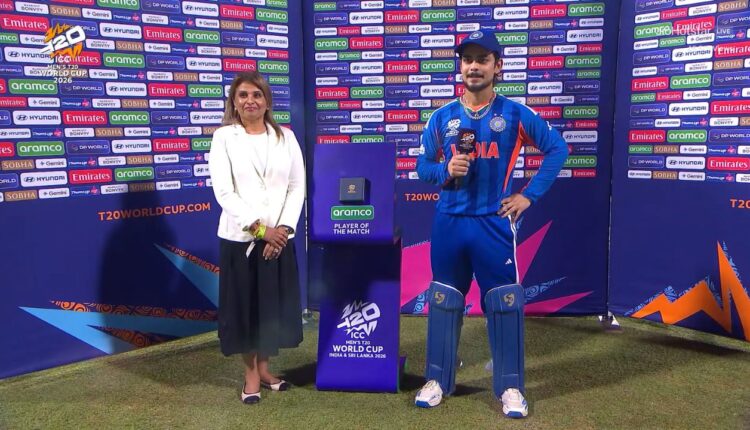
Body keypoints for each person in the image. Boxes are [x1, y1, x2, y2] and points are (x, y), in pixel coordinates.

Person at [414, 31, 568, 418]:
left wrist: (528, 196)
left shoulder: (514, 114)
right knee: (444, 299)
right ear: (460, 66)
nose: (474, 66)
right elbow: (422, 167)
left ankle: (510, 386)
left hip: (492, 224)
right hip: (449, 222)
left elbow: (557, 149)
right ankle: (437, 379)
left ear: (497, 66)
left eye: (482, 59)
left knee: (503, 303)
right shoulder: (442, 117)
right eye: (467, 59)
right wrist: (444, 170)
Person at [208, 71, 305, 405]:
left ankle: (265, 369)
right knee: (245, 310)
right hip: (241, 240)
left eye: (257, 94)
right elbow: (224, 191)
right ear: (234, 102)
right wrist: (261, 230)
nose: (250, 101)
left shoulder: (286, 137)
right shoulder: (224, 137)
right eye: (243, 95)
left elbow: (297, 187)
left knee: (269, 309)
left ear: (267, 101)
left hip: (279, 240)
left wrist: (283, 230)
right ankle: (250, 375)